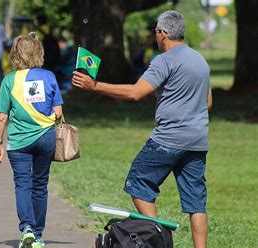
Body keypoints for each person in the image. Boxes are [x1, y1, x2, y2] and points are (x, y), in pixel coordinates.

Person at [72, 11, 212, 248]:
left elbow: (136, 93)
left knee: (138, 182)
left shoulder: (164, 60)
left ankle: (157, 239)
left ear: (163, 34)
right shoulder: (200, 60)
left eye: (156, 32)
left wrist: (94, 85)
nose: (155, 37)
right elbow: (207, 102)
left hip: (168, 139)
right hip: (197, 141)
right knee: (196, 203)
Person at [0, 32, 63, 248]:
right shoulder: (49, 76)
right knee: (40, 185)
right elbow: (58, 112)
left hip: (19, 142)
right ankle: (39, 236)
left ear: (15, 54)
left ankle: (27, 229)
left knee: (23, 184)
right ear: (39, 53)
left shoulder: (9, 80)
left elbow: (2, 116)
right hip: (46, 138)